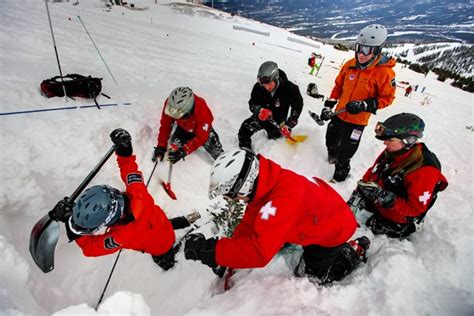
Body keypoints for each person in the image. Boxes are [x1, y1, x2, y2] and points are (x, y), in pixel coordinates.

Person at [184, 149, 370, 285]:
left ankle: (352, 252)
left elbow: (259, 253)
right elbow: (250, 222)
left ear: (245, 185)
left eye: (233, 194)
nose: (233, 199)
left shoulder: (280, 202)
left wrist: (212, 251)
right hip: (319, 213)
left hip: (334, 229)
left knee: (308, 277)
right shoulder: (265, 182)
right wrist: (226, 252)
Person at [48, 129, 200, 271]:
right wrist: (125, 150)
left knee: (165, 260)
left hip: (160, 247)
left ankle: (169, 261)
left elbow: (90, 248)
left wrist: (71, 224)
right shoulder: (137, 192)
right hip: (161, 223)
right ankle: (181, 222)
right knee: (162, 227)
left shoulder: (123, 236)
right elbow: (129, 168)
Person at [347, 113, 448, 238]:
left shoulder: (425, 170)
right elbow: (374, 171)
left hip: (399, 216)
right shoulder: (394, 151)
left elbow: (416, 209)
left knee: (371, 231)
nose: (385, 143)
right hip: (379, 202)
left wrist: (388, 199)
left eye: (390, 140)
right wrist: (360, 190)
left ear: (408, 140)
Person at [320, 24, 396, 182]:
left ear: (377, 50)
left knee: (346, 152)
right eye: (359, 48)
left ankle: (339, 176)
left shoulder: (385, 73)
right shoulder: (350, 65)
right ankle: (331, 159)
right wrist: (329, 105)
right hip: (340, 113)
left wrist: (365, 105)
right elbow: (338, 86)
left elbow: (387, 98)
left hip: (357, 122)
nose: (361, 54)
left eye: (367, 50)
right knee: (330, 140)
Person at [238, 61, 304, 150]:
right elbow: (252, 103)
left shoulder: (290, 89)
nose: (266, 87)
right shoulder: (258, 87)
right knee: (244, 129)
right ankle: (245, 152)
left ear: (276, 78)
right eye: (264, 85)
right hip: (262, 118)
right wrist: (259, 110)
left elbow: (298, 105)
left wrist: (290, 123)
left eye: (268, 84)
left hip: (278, 122)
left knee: (275, 143)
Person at [152, 87, 223, 164]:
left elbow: (201, 137)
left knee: (217, 153)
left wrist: (184, 151)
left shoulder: (202, 112)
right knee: (174, 146)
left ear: (188, 112)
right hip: (184, 127)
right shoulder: (171, 105)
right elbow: (165, 125)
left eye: (177, 115)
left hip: (203, 132)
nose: (173, 116)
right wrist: (161, 146)